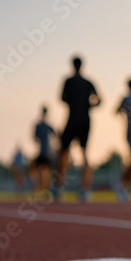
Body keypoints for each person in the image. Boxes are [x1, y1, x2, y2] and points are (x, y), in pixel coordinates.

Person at [55, 56, 100, 202]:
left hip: (73, 119)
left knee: (63, 152)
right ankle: (84, 189)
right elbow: (99, 100)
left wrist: (74, 103)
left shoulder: (69, 81)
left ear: (72, 65)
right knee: (84, 153)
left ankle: (59, 187)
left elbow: (62, 98)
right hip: (85, 120)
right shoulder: (88, 83)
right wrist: (88, 105)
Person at [32, 106, 55, 193]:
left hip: (44, 152)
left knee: (41, 171)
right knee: (43, 171)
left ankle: (42, 190)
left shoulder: (41, 125)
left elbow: (35, 139)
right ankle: (43, 190)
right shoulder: (46, 126)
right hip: (45, 152)